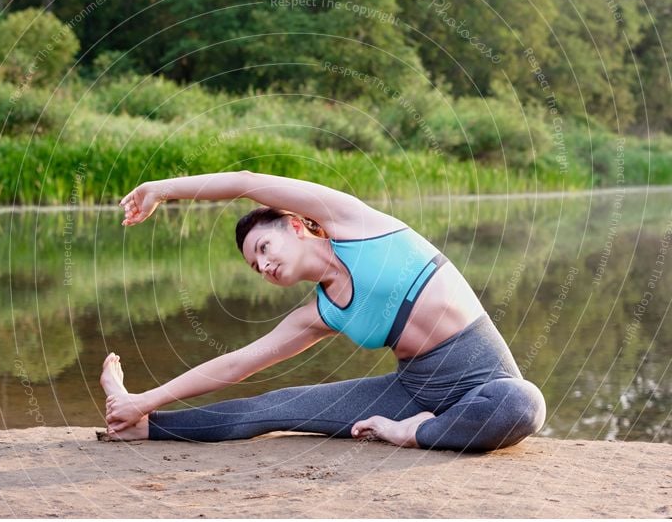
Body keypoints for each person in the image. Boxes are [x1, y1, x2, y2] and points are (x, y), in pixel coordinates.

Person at [99, 170, 546, 451]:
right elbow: (235, 365)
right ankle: (145, 428)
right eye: (256, 267)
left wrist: (163, 189)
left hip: (482, 384)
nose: (264, 265)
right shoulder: (319, 313)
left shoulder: (356, 226)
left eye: (264, 247)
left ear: (295, 225)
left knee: (523, 402)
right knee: (273, 408)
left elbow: (245, 181)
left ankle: (411, 433)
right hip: (412, 392)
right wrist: (143, 401)